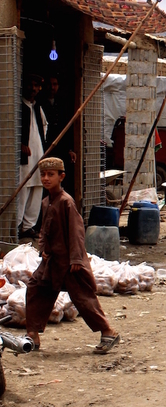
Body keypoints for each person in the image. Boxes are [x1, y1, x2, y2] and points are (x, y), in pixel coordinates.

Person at [25, 157, 119, 353]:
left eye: (51, 174)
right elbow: (44, 230)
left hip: (69, 262)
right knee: (36, 288)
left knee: (83, 298)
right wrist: (42, 248)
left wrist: (76, 258)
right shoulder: (46, 202)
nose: (46, 178)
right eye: (43, 174)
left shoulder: (66, 202)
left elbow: (76, 232)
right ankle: (32, 335)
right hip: (52, 261)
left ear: (62, 177)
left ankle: (108, 332)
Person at [18, 74, 47, 239]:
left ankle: (28, 226)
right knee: (23, 189)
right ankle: (17, 224)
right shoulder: (18, 106)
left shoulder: (37, 107)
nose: (33, 89)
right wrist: (19, 145)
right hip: (24, 158)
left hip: (38, 155)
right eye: (31, 85)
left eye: (36, 86)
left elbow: (44, 129)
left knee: (37, 188)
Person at [41, 76, 77, 196]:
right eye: (50, 84)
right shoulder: (40, 103)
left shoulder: (62, 103)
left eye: (55, 84)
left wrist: (70, 149)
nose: (52, 87)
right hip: (46, 147)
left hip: (61, 147)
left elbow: (67, 126)